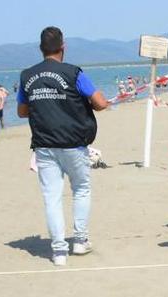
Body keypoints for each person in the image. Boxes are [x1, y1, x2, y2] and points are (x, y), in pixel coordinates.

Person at [17, 26, 109, 266]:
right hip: (73, 143)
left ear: (41, 49)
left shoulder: (27, 76)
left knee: (52, 197)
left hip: (44, 145)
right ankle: (79, 241)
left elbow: (21, 111)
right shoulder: (73, 73)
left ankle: (59, 252)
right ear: (63, 47)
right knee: (81, 189)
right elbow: (100, 102)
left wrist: (46, 104)